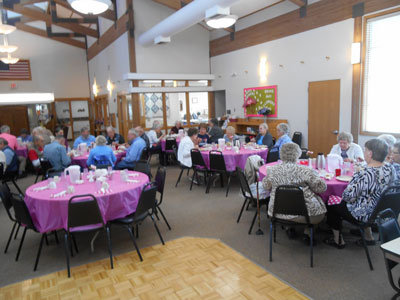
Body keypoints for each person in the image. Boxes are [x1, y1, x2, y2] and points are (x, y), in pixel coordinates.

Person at [324, 139, 397, 248]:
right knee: (366, 199)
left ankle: (337, 240)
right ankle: (369, 237)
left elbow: (348, 197)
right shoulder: (390, 169)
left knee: (331, 202)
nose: (364, 152)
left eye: (365, 150)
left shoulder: (363, 173)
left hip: (363, 214)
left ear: (370, 153)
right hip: (381, 212)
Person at [263, 143, 327, 241]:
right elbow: (321, 188)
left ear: (281, 154)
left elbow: (265, 186)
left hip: (277, 211)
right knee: (319, 207)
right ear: (298, 155)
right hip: (307, 215)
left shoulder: (271, 170)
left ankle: (289, 228)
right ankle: (307, 233)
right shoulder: (306, 171)